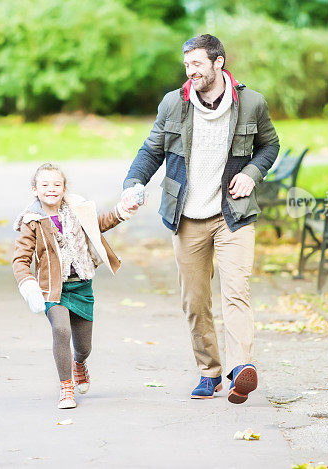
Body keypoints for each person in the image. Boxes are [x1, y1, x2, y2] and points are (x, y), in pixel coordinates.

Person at [123, 34, 279, 404]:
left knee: (237, 291)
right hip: (187, 217)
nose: (190, 71)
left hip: (232, 216)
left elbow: (269, 145)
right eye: (186, 64)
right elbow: (151, 150)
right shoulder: (174, 104)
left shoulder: (251, 103)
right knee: (195, 301)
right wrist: (133, 184)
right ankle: (209, 372)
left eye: (197, 64)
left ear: (218, 63)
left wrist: (252, 173)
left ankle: (241, 369)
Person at [12, 163, 140, 409]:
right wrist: (29, 286)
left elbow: (101, 223)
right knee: (61, 331)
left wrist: (123, 209)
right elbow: (20, 260)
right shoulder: (32, 221)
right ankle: (66, 388)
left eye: (57, 184)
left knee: (84, 346)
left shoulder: (77, 211)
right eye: (45, 185)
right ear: (35, 190)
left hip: (80, 285)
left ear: (64, 188)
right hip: (53, 289)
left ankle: (79, 363)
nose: (51, 189)